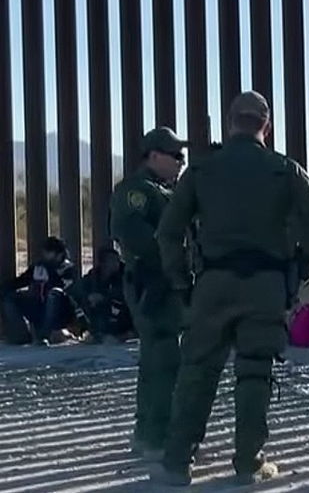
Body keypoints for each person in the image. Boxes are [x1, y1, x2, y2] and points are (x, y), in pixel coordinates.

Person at [152, 91, 309, 486]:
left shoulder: (200, 171)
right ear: (266, 126)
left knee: (197, 369)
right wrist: (303, 266)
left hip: (212, 284)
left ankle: (178, 462)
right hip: (266, 285)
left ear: (231, 121)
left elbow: (168, 233)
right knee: (255, 372)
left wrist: (181, 281)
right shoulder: (286, 170)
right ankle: (248, 463)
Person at [109, 127, 187, 461]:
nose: (181, 161)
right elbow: (136, 234)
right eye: (175, 156)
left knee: (160, 359)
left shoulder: (166, 190)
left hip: (166, 283)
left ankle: (149, 432)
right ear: (154, 155)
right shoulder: (137, 191)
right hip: (152, 281)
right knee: (163, 360)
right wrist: (174, 256)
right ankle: (155, 436)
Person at [1, 236, 79, 345]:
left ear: (59, 254)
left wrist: (50, 270)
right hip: (38, 307)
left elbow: (64, 288)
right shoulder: (39, 267)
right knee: (10, 298)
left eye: (49, 252)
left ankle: (46, 334)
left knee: (54, 294)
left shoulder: (68, 269)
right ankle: (21, 335)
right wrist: (5, 287)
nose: (45, 255)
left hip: (59, 311)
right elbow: (22, 281)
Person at [71, 247, 133, 343]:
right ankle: (89, 332)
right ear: (103, 263)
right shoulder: (94, 276)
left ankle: (120, 334)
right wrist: (89, 296)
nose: (116, 263)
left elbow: (124, 293)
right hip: (98, 312)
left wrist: (104, 297)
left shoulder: (124, 274)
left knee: (115, 305)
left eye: (117, 260)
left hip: (120, 313)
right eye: (112, 261)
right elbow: (77, 290)